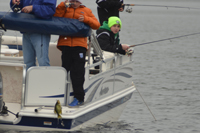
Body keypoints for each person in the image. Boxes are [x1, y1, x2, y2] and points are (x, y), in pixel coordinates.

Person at [54, 0, 100, 106]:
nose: (74, 3)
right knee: (64, 70)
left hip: (80, 46)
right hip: (65, 45)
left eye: (76, 1)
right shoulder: (64, 9)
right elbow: (55, 17)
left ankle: (79, 98)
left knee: (78, 73)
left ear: (80, 2)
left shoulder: (86, 10)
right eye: (72, 1)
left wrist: (86, 19)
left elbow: (96, 25)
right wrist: (62, 5)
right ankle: (60, 96)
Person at [10, 0, 57, 71]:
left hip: (40, 31)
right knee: (27, 63)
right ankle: (29, 82)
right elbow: (17, 8)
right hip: (26, 31)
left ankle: (46, 82)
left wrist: (33, 8)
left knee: (43, 63)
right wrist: (14, 3)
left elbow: (50, 9)